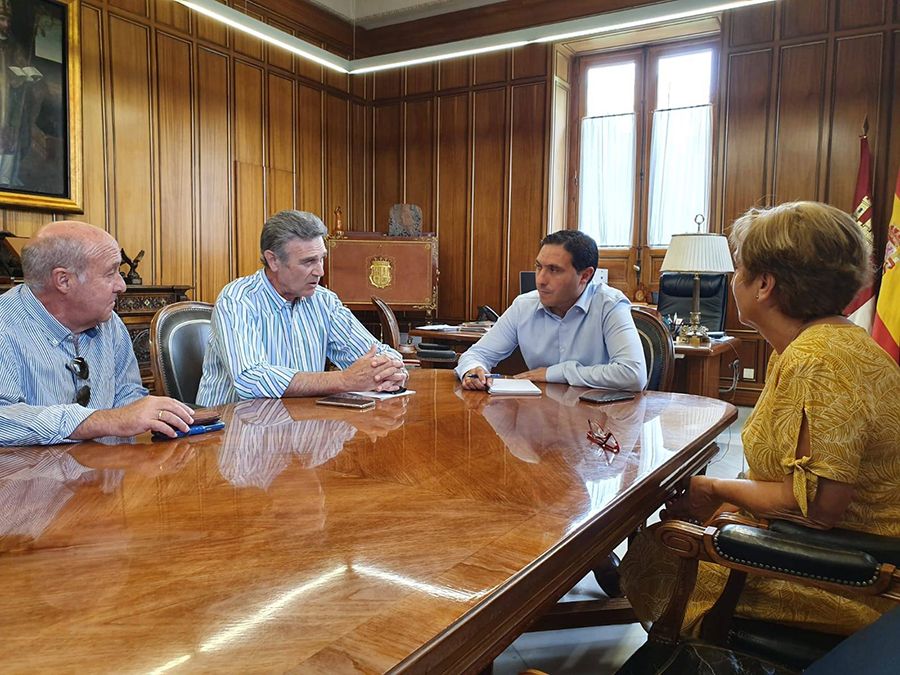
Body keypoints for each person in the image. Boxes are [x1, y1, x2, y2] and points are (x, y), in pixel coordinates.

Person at [620, 201, 900, 636]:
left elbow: (818, 508)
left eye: (740, 269)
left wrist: (711, 488)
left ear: (764, 284)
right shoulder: (829, 343)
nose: (734, 281)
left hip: (842, 577)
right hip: (837, 549)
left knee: (663, 546)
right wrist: (723, 501)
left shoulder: (818, 359)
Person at [0, 221, 195, 446]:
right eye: (110, 273)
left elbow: (127, 395)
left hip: (108, 474)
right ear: (64, 280)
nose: (122, 286)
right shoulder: (6, 326)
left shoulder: (108, 321)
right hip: (33, 478)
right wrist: (99, 421)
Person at [197, 210, 408, 406]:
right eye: (308, 262)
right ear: (273, 260)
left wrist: (390, 372)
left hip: (301, 427)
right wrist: (344, 380)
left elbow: (377, 354)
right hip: (234, 432)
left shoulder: (324, 301)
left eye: (322, 259)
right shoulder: (238, 299)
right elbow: (251, 380)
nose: (320, 271)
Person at [456, 230, 646, 391]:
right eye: (539, 267)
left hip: (596, 424)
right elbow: (476, 354)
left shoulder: (609, 305)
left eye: (554, 270)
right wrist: (473, 370)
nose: (540, 280)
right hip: (539, 419)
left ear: (585, 276)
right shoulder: (524, 306)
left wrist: (554, 373)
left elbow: (632, 374)